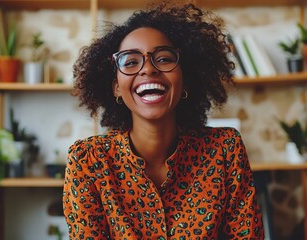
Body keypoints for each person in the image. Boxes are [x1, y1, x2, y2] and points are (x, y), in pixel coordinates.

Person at [63, 2, 264, 239]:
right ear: (116, 87)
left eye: (164, 58)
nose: (148, 69)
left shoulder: (224, 150)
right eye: (130, 61)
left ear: (186, 80)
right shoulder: (88, 161)